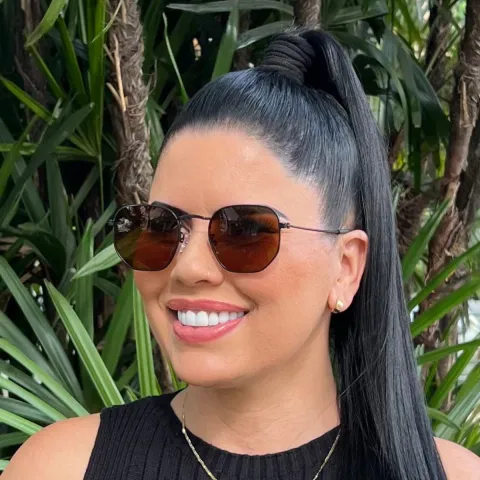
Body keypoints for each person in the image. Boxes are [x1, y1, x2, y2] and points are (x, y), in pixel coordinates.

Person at [3, 28, 480, 480]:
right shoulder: (59, 468)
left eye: (245, 232)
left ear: (345, 267)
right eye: (162, 228)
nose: (188, 268)